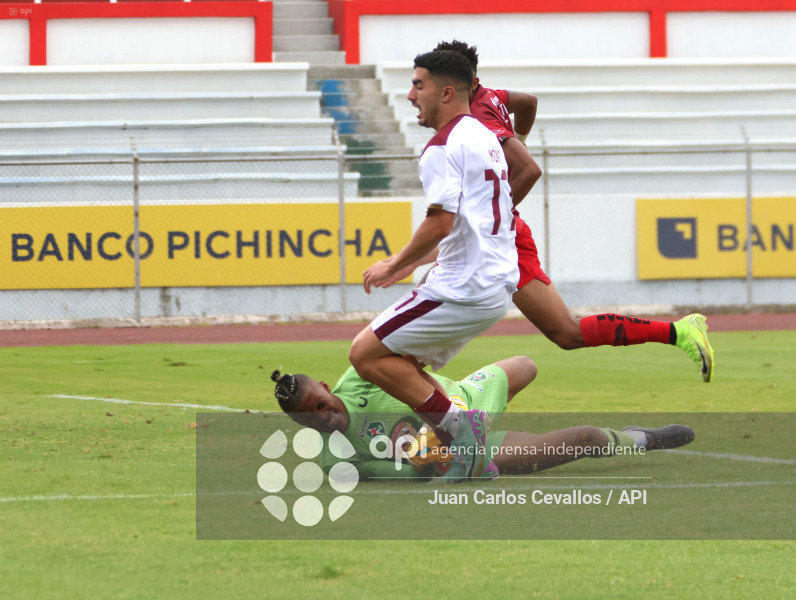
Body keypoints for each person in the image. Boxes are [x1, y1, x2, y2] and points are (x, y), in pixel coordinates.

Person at [383, 40, 716, 384]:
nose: (414, 93)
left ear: (452, 86)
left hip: (499, 241)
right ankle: (679, 332)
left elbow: (528, 169)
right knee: (565, 333)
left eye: (424, 83)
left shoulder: (475, 117)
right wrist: (520, 137)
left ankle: (437, 416)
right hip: (496, 240)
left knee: (407, 340)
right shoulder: (490, 96)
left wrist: (495, 213)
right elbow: (528, 102)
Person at [347, 49, 520, 482]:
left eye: (418, 84)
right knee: (400, 362)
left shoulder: (442, 146)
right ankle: (454, 443)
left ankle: (462, 433)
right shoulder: (483, 135)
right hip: (496, 283)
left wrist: (394, 267)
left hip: (463, 287)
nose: (409, 94)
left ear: (446, 92)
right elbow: (464, 224)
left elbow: (439, 221)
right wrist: (410, 262)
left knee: (364, 354)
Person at [271, 357, 695, 480]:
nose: (322, 417)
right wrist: (428, 461)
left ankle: (467, 414)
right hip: (464, 456)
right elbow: (408, 476)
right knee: (582, 438)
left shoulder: (361, 375)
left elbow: (412, 361)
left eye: (320, 404)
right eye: (309, 418)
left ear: (327, 388)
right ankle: (642, 438)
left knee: (527, 365)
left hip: (458, 403)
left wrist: (442, 393)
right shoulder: (336, 459)